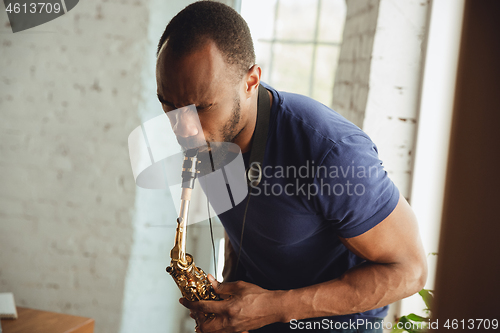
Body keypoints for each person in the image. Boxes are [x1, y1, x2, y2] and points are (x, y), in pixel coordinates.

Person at [155, 2, 427, 333]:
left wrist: (273, 308)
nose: (183, 130)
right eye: (168, 105)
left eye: (202, 106)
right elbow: (244, 231)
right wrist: (228, 301)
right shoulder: (210, 139)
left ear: (251, 81)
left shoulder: (330, 151)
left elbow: (410, 270)